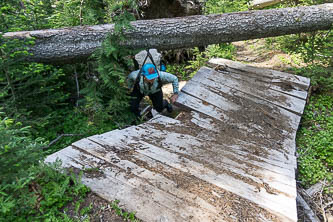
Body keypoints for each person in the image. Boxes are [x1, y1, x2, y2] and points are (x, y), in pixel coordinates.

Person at [127, 49, 179, 118]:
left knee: (159, 108)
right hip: (140, 89)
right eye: (150, 77)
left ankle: (165, 103)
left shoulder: (160, 74)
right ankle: (138, 119)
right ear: (144, 75)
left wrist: (175, 93)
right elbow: (129, 78)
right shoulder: (135, 75)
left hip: (155, 91)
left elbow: (174, 79)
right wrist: (129, 88)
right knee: (132, 106)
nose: (152, 79)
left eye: (153, 77)